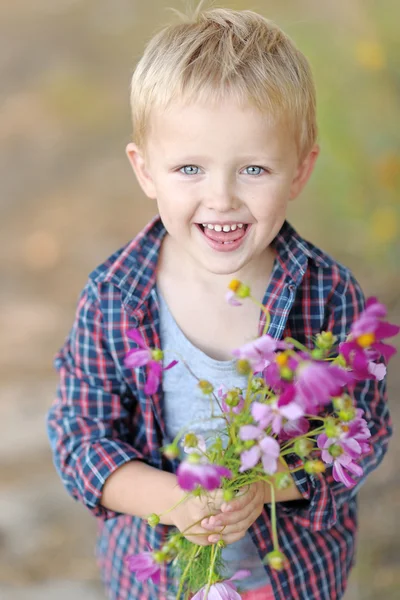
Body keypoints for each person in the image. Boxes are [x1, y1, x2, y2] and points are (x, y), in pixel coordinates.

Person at [46, 4, 392, 600]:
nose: (222, 197)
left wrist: (266, 485)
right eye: (189, 168)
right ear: (145, 170)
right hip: (159, 580)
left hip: (293, 579)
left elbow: (363, 435)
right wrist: (174, 501)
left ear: (300, 172)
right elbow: (79, 438)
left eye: (253, 168)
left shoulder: (328, 297)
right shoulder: (114, 298)